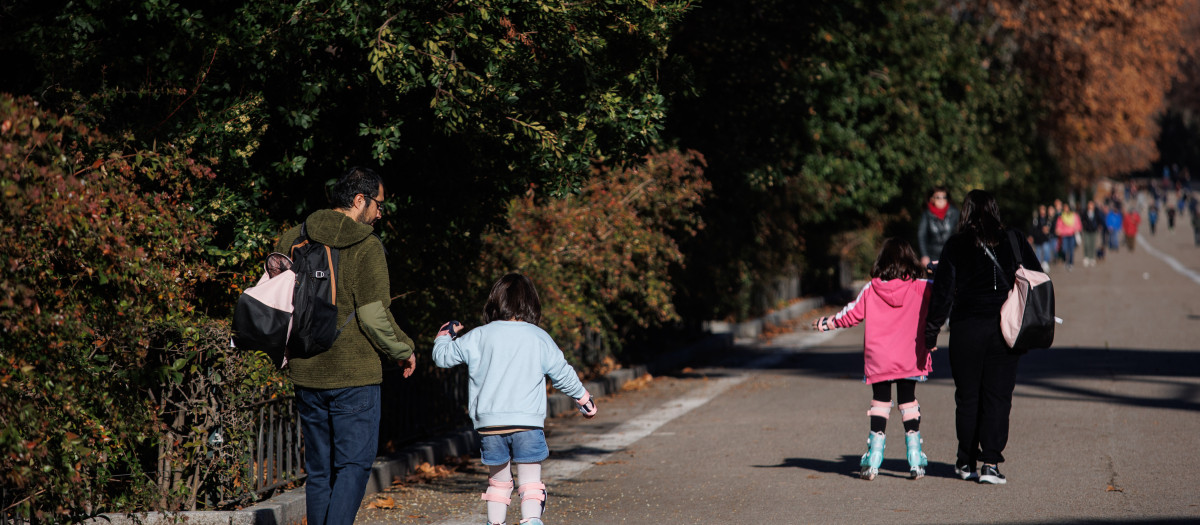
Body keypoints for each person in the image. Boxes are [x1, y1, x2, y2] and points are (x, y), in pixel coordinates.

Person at [274, 166, 418, 525]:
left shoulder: (294, 237)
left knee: (319, 470)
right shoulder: (367, 246)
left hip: (306, 371)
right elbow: (373, 316)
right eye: (379, 204)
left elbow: (275, 300)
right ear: (359, 201)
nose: (380, 213)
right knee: (353, 467)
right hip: (354, 376)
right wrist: (404, 349)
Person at [433, 273, 598, 525]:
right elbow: (562, 373)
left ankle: (495, 523)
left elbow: (442, 357)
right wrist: (583, 398)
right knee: (531, 483)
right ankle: (531, 520)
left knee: (498, 484)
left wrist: (445, 333)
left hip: (490, 426)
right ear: (531, 304)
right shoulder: (537, 336)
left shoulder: (478, 336)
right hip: (527, 424)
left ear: (494, 303)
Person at [924, 189, 1041, 485]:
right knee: (998, 397)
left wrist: (930, 332)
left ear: (965, 212)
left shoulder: (955, 245)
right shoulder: (1013, 239)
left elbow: (942, 295)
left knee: (967, 397)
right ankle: (990, 463)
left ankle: (966, 462)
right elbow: (1037, 276)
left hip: (966, 329)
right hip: (1004, 329)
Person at [813, 238, 933, 481]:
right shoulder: (922, 286)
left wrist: (827, 323)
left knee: (880, 402)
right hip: (909, 355)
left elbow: (851, 314)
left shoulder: (871, 289)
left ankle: (874, 458)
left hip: (880, 357)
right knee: (908, 402)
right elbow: (947, 289)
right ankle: (915, 457)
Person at [916, 186, 960, 271]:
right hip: (932, 256)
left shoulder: (955, 213)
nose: (941, 200)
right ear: (931, 199)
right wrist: (924, 255)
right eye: (938, 197)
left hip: (950, 255)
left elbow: (959, 234)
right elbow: (921, 235)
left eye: (944, 197)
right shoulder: (926, 214)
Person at [1054, 202, 1081, 271]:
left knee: (1071, 250)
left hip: (1071, 235)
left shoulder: (1074, 215)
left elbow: (1078, 224)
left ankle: (1070, 263)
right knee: (1064, 249)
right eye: (1064, 207)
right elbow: (1059, 224)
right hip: (1064, 235)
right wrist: (1058, 229)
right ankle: (1066, 261)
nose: (1065, 209)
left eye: (1066, 207)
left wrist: (1077, 229)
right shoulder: (1062, 216)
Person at [1031, 205, 1054, 270]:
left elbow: (1051, 228)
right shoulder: (1036, 219)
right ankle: (1038, 266)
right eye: (1041, 209)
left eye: (1044, 209)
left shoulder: (1048, 219)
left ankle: (1045, 263)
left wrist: (1048, 230)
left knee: (1046, 250)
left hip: (1045, 238)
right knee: (1038, 252)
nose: (1042, 211)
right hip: (1038, 239)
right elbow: (1033, 229)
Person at [1080, 200, 1102, 267]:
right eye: (1089, 204)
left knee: (1093, 244)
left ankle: (1092, 258)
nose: (1091, 206)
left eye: (1092, 205)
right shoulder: (1085, 212)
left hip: (1094, 231)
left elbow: (1099, 220)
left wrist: (1099, 226)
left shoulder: (1096, 212)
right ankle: (1086, 257)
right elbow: (1082, 219)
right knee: (1086, 244)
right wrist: (1084, 225)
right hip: (1086, 230)